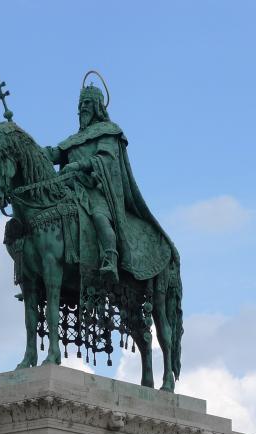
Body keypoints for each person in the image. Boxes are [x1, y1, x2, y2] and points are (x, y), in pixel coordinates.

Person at [47, 82, 176, 285]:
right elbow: (53, 154)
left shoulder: (108, 131)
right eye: (81, 103)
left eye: (87, 103)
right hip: (68, 188)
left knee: (99, 217)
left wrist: (79, 165)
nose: (83, 107)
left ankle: (110, 258)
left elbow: (106, 158)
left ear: (98, 105)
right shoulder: (73, 139)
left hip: (94, 189)